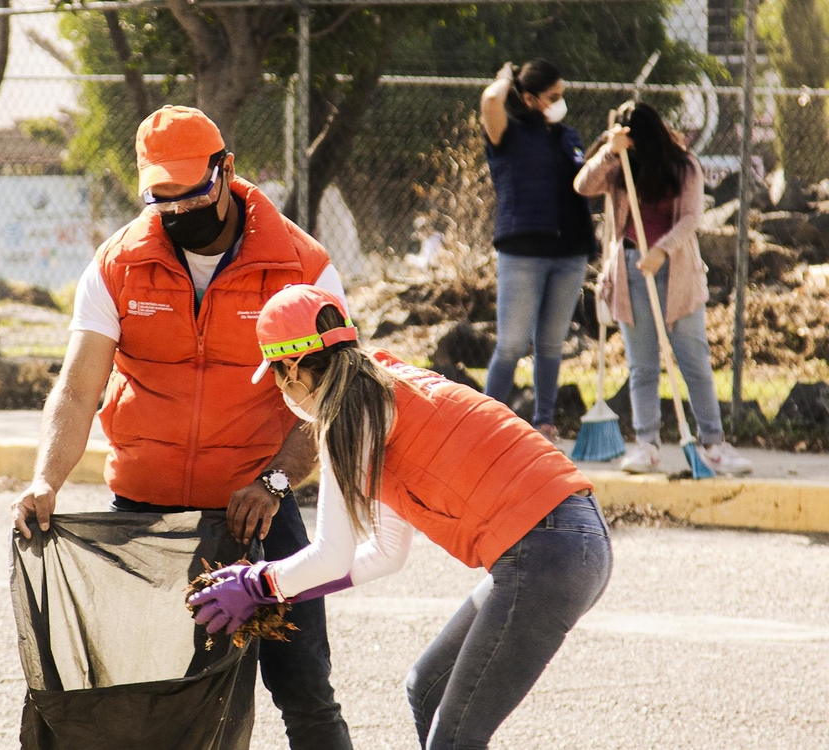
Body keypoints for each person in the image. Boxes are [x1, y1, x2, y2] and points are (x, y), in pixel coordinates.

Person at [12, 105, 354, 749]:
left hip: (257, 513)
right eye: (162, 197)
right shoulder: (118, 264)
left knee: (305, 691)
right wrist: (45, 480)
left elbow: (333, 399)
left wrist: (275, 483)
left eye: (192, 192)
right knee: (146, 695)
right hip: (147, 518)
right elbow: (78, 388)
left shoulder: (301, 267)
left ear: (226, 170)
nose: (178, 210)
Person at [189, 284, 613, 749]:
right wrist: (281, 590)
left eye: (274, 374)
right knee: (427, 689)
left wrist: (258, 583)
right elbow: (386, 552)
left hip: (548, 551)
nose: (277, 387)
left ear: (290, 366)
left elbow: (331, 555)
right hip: (570, 540)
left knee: (454, 740)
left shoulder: (349, 412)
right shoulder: (379, 386)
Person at [573, 100, 753, 476]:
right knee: (643, 366)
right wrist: (610, 152)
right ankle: (647, 445)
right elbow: (583, 185)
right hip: (630, 272)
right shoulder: (620, 166)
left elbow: (690, 217)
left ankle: (713, 443)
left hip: (677, 272)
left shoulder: (684, 166)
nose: (632, 148)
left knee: (694, 362)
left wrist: (661, 251)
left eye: (634, 141)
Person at [479, 59, 599, 443]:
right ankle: (483, 426)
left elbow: (584, 182)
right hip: (523, 251)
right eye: (552, 96)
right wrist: (506, 79)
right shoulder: (507, 134)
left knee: (551, 344)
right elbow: (490, 102)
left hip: (570, 253)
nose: (560, 102)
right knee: (512, 344)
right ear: (529, 98)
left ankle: (544, 422)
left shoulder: (567, 136)